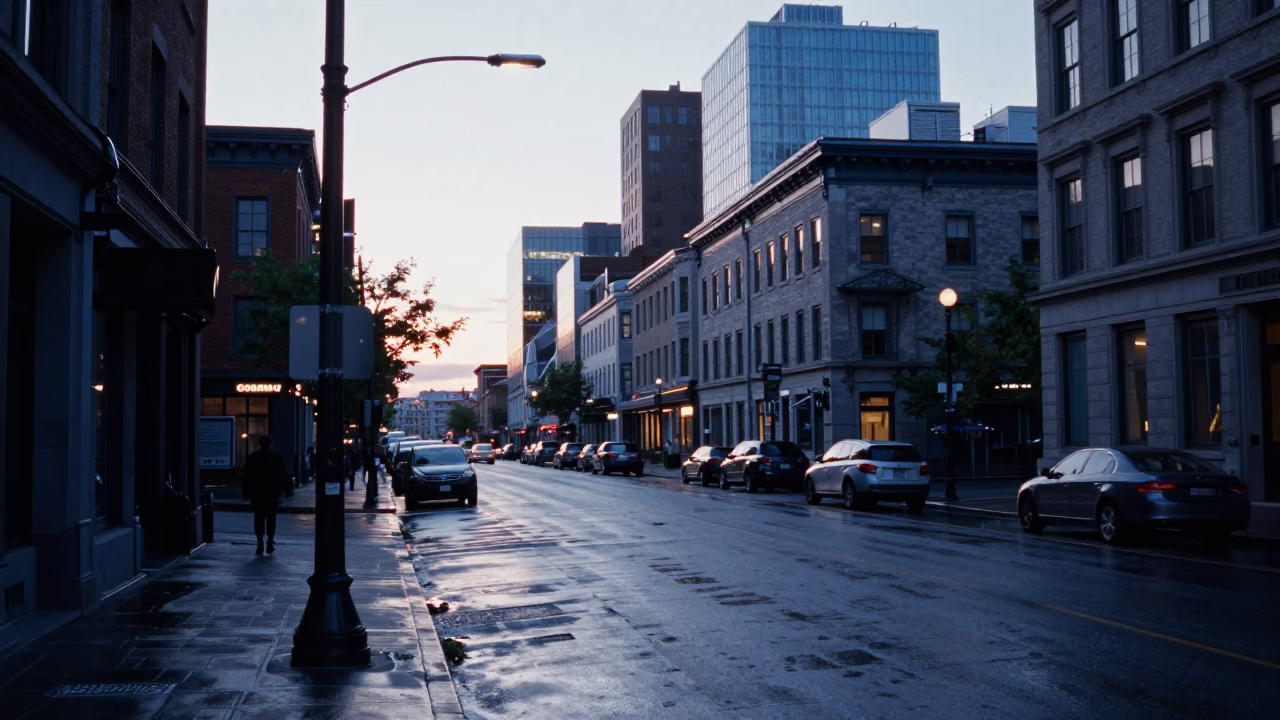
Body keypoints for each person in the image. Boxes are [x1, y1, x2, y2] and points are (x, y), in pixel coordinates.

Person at [243, 435, 290, 555]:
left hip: (257, 493)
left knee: (258, 518)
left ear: (259, 444)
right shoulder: (276, 457)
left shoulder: (253, 457)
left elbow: (247, 476)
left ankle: (260, 543)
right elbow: (282, 475)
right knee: (271, 518)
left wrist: (245, 492)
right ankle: (270, 541)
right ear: (270, 444)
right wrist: (287, 490)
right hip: (272, 493)